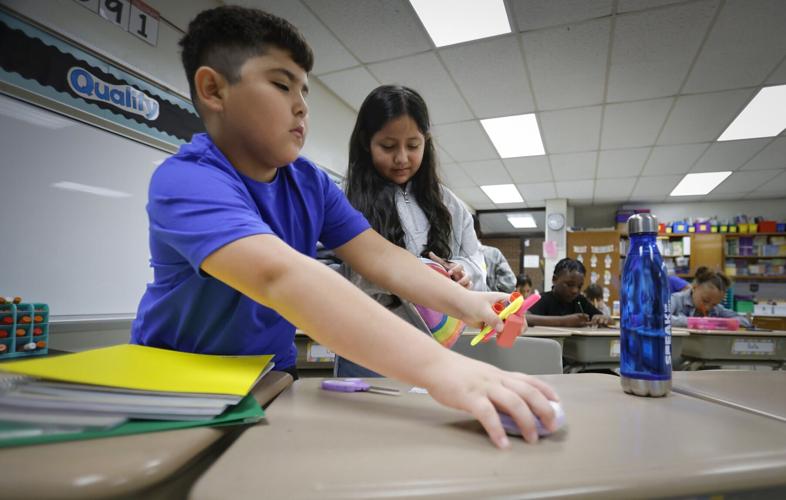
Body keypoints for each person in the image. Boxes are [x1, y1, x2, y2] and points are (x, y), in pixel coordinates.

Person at [129, 6, 558, 448]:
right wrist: (445, 370)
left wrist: (468, 303)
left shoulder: (308, 181)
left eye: (304, 91)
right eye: (281, 85)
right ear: (213, 89)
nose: (300, 106)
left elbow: (381, 258)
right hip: (181, 386)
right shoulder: (186, 180)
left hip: (268, 381)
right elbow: (280, 277)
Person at [334, 85, 489, 377]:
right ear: (367, 143)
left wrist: (463, 271)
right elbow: (334, 275)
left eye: (413, 146)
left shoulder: (449, 205)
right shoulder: (344, 200)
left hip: (435, 347)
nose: (402, 158)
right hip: (367, 348)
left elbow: (476, 261)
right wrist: (416, 274)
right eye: (388, 146)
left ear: (426, 143)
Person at [526, 258, 612, 327]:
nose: (575, 290)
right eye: (569, 284)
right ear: (554, 279)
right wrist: (565, 321)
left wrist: (602, 318)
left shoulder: (580, 301)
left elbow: (608, 320)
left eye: (579, 286)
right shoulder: (543, 299)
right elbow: (525, 318)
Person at [670, 267, 751, 328]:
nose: (708, 307)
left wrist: (721, 323)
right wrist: (695, 322)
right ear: (694, 287)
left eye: (714, 304)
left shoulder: (716, 309)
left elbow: (745, 322)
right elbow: (660, 319)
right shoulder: (676, 300)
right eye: (705, 300)